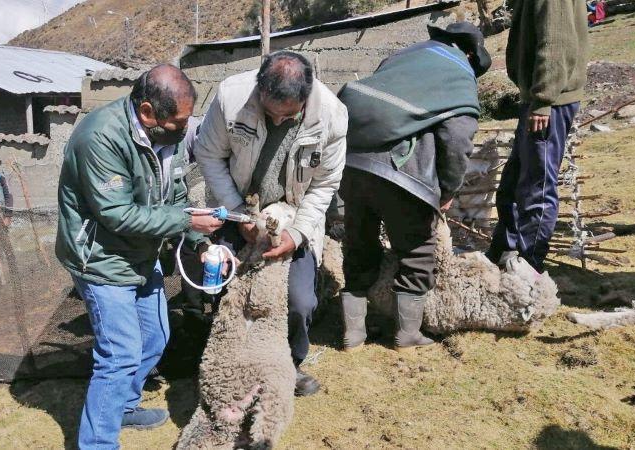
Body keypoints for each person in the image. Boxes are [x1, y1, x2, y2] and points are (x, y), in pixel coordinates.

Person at [55, 64, 223, 449]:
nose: (187, 127)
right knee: (120, 354)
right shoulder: (100, 136)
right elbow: (116, 214)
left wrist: (199, 240)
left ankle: (123, 406)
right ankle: (97, 443)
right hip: (100, 258)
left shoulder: (169, 134)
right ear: (148, 112)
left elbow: (176, 198)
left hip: (141, 254)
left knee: (155, 336)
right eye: (180, 120)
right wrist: (184, 219)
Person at [193, 51, 348, 396]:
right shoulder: (231, 97)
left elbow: (324, 184)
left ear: (305, 99)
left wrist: (296, 234)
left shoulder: (333, 117)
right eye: (270, 113)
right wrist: (237, 211)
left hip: (294, 216)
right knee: (227, 290)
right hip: (237, 207)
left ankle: (288, 365)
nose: (278, 121)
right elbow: (209, 154)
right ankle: (229, 362)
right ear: (260, 89)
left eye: (288, 116)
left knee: (300, 301)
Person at [336, 22, 490, 351]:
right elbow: (457, 140)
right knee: (418, 252)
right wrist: (446, 191)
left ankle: (353, 335)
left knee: (359, 246)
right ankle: (407, 335)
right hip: (400, 175)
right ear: (469, 53)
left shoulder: (405, 56)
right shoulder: (457, 75)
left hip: (352, 164)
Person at [486, 0, 589, 273]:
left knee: (537, 186)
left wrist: (543, 99)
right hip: (539, 99)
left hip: (549, 101)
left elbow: (556, 43)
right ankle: (503, 252)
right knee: (514, 181)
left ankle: (527, 265)